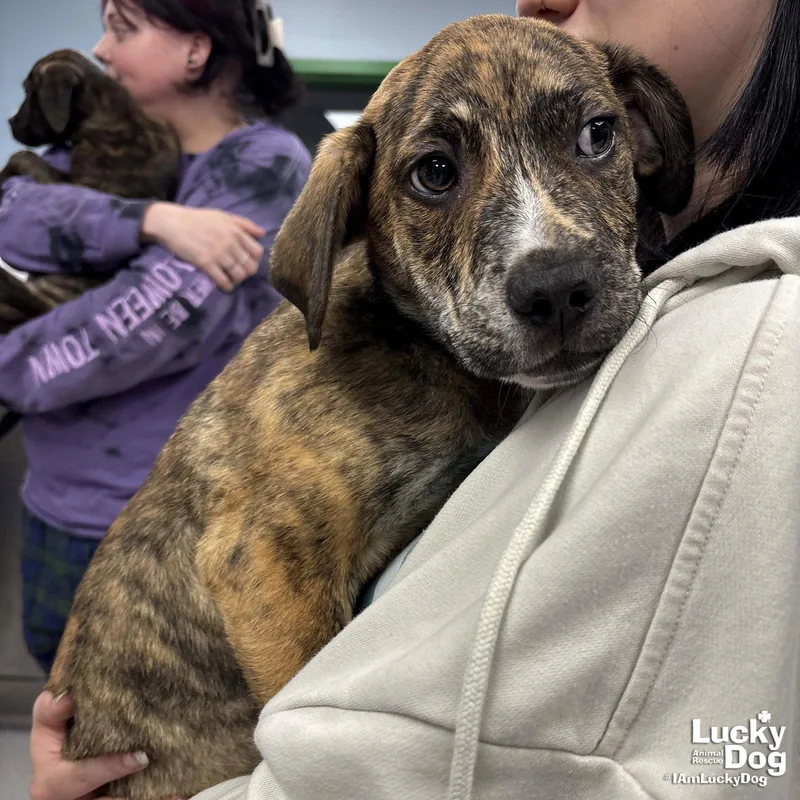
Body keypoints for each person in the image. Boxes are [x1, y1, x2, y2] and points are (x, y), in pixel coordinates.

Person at [27, 0, 800, 798]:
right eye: (435, 173)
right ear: (358, 215)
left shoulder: (753, 338)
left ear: (644, 137)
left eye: (591, 137)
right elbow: (258, 568)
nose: (550, 261)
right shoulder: (349, 387)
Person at [0, 0, 311, 676]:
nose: (101, 50)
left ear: (195, 51)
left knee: (155, 743)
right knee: (66, 711)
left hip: (160, 526)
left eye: (123, 29)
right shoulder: (88, 145)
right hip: (54, 504)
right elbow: (11, 210)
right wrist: (154, 220)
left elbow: (142, 325)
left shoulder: (264, 165)